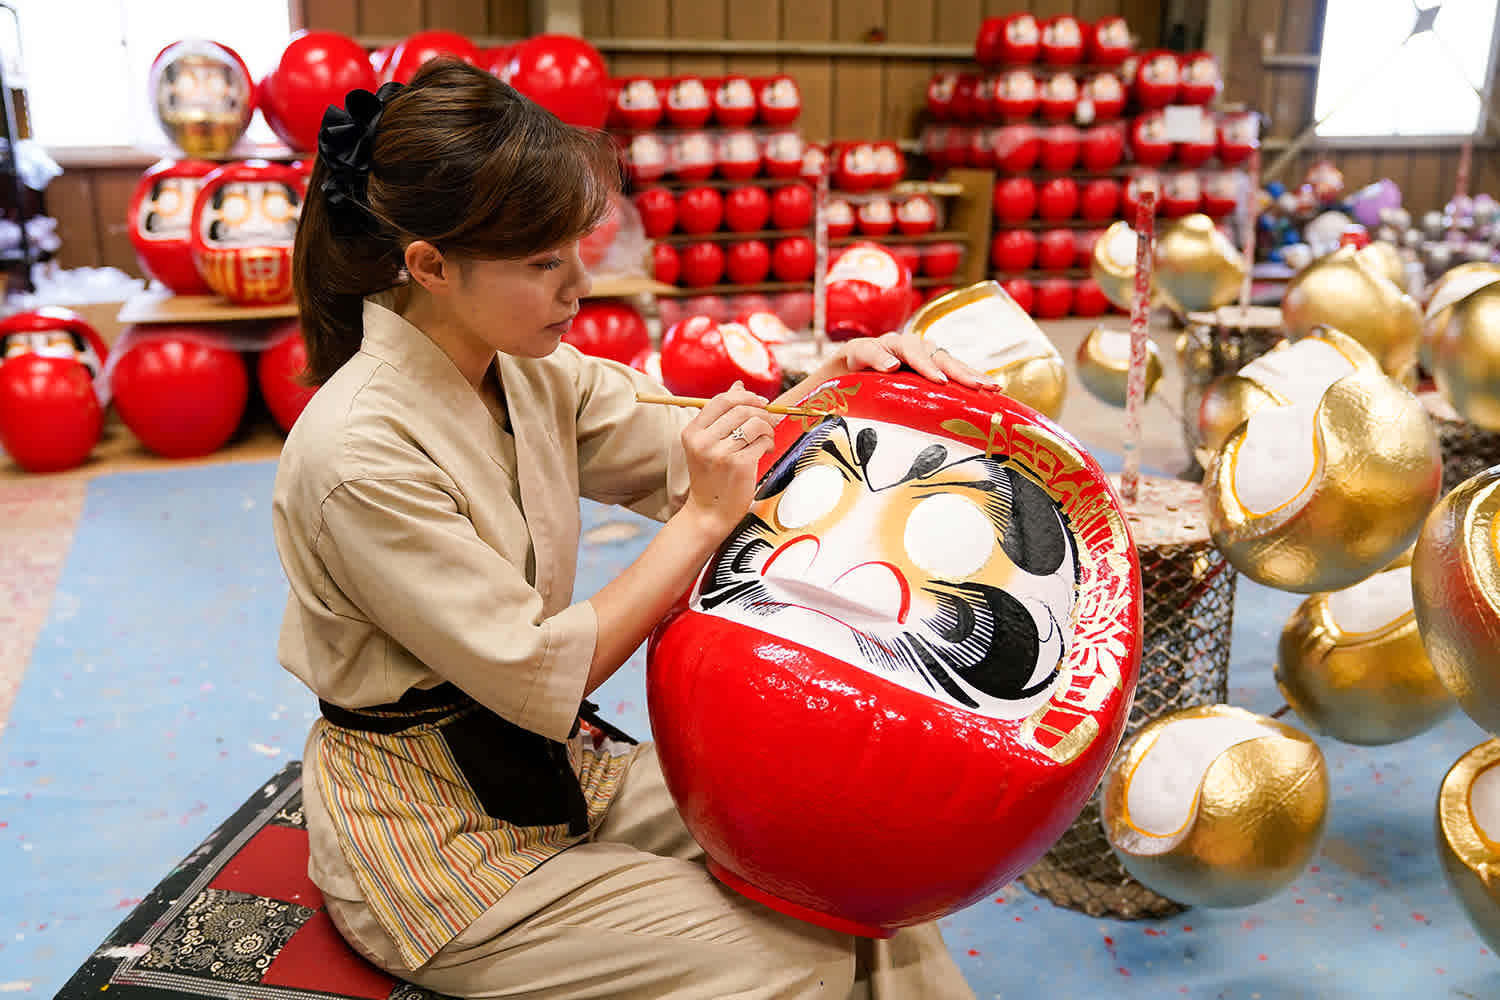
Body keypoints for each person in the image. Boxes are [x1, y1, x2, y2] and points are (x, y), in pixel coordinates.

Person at [273, 59, 994, 999]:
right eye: (543, 263)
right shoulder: (356, 456)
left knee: (861, 864)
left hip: (555, 774)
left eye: (575, 249)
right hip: (435, 846)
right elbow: (542, 667)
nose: (582, 285)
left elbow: (697, 444)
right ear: (430, 266)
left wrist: (846, 394)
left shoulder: (525, 369)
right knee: (797, 964)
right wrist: (701, 518)